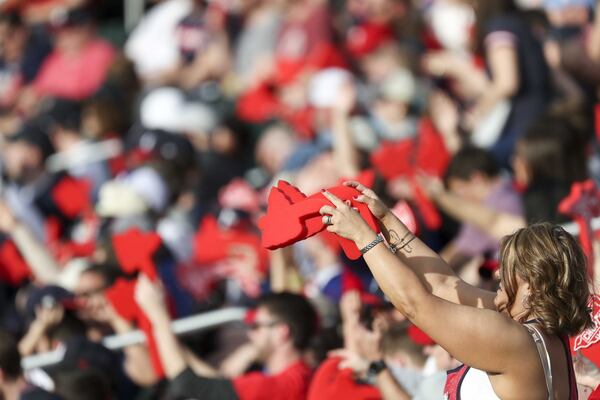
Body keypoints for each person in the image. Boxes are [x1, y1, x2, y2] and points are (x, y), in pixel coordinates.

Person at [318, 181, 590, 399]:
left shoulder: (511, 337)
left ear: (531, 284)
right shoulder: (541, 333)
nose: (496, 273)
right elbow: (444, 285)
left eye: (506, 267)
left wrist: (364, 239)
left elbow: (415, 304)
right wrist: (386, 221)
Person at [134, 275, 317, 400]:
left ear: (281, 332)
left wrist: (158, 316)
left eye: (256, 326)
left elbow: (188, 385)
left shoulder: (282, 385)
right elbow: (216, 385)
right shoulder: (293, 377)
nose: (250, 333)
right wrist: (171, 340)